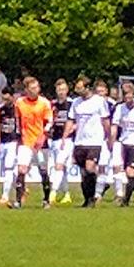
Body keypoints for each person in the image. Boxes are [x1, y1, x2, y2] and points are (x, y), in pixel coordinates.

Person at [65, 75, 111, 208]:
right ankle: (88, 198)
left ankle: (94, 194)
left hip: (94, 140)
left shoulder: (99, 101)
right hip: (80, 141)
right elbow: (71, 120)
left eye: (80, 88)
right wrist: (65, 136)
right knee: (84, 173)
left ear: (88, 88)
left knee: (90, 167)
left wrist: (108, 137)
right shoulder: (76, 102)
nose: (77, 90)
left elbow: (105, 120)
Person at [13, 75, 53, 208]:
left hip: (41, 142)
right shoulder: (19, 103)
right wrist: (18, 138)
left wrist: (43, 136)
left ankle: (46, 199)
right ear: (26, 90)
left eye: (37, 87)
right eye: (32, 88)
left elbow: (49, 122)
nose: (35, 90)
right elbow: (18, 121)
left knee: (43, 170)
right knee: (21, 169)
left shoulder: (44, 103)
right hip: (26, 141)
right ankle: (18, 200)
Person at [48, 78, 75, 206]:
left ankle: (52, 194)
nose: (61, 92)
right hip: (54, 139)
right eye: (59, 90)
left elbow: (77, 122)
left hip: (68, 140)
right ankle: (67, 194)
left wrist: (68, 132)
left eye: (63, 89)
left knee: (59, 165)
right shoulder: (52, 105)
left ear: (67, 90)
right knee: (61, 168)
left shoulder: (72, 104)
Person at [0, 86, 21, 207]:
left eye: (7, 99)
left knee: (8, 168)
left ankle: (5, 196)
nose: (5, 101)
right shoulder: (0, 110)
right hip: (3, 141)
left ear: (12, 97)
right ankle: (21, 187)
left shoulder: (17, 110)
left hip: (13, 141)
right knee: (9, 169)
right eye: (3, 99)